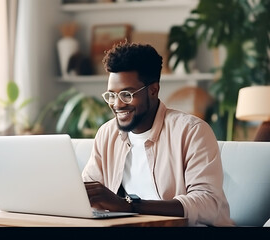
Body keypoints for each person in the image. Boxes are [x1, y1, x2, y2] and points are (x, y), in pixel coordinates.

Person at [81, 41, 234, 227]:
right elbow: (86, 192)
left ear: (153, 90)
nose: (117, 104)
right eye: (111, 95)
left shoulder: (192, 131)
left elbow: (209, 203)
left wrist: (130, 206)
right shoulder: (107, 134)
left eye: (127, 94)